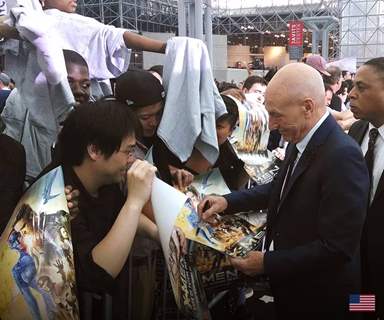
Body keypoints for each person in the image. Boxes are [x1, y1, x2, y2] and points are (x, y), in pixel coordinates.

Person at [198, 62, 369, 319]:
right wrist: (227, 202)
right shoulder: (299, 139)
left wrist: (267, 262)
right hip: (295, 287)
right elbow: (280, 189)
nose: (272, 125)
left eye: (277, 115)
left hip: (324, 298)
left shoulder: (342, 156)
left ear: (308, 107)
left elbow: (337, 248)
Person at [50, 99, 158, 319]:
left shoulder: (105, 182)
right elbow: (98, 273)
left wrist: (160, 234)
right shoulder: (59, 197)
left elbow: (122, 218)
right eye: (128, 151)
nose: (131, 161)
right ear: (95, 150)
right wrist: (135, 200)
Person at [348, 57, 384, 319]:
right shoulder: (358, 131)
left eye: (361, 87)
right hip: (357, 259)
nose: (351, 93)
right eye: (352, 86)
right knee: (361, 307)